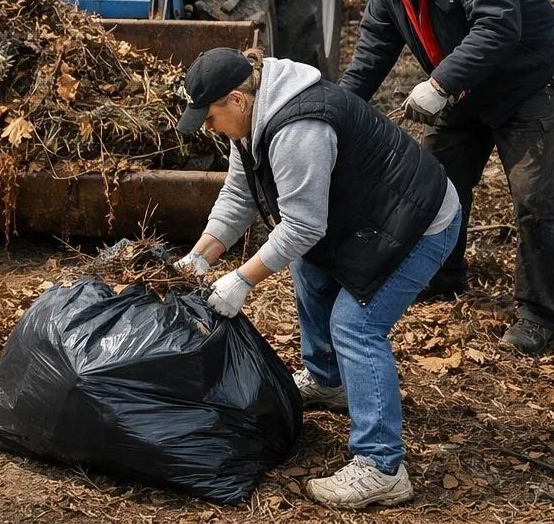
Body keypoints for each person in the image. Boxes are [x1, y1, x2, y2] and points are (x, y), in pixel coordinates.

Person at [175, 47, 460, 509]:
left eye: (209, 117)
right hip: (368, 217)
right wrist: (200, 256)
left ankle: (382, 466)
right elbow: (239, 191)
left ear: (237, 99)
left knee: (357, 324)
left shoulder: (298, 128)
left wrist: (242, 280)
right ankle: (330, 381)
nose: (209, 127)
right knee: (310, 268)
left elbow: (304, 225)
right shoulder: (251, 117)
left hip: (418, 221)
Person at [337, 0, 554, 355]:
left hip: (526, 87)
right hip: (462, 91)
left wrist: (438, 85)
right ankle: (442, 276)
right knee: (435, 187)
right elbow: (376, 42)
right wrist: (338, 107)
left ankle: (539, 314)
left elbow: (498, 27)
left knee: (537, 202)